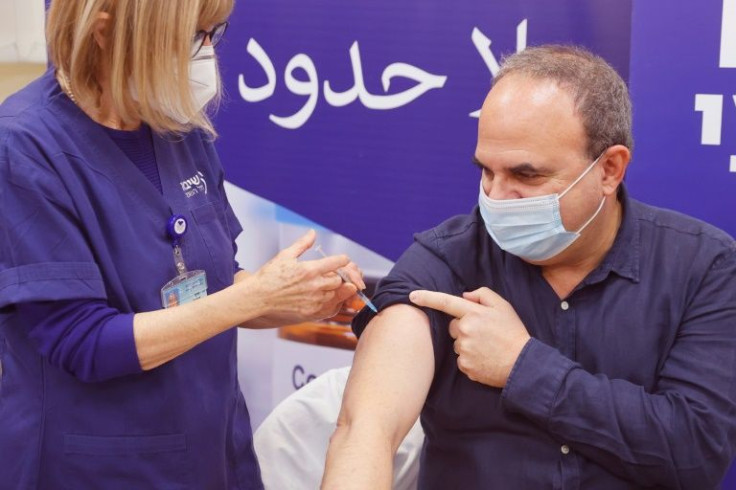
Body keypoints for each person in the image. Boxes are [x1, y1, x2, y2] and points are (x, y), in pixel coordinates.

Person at [322, 45, 736, 489]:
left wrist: (524, 365)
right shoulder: (445, 262)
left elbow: (695, 453)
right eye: (486, 171)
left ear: (610, 169)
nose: (497, 197)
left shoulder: (701, 266)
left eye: (527, 176)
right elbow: (365, 430)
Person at [0, 1, 366, 488]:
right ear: (106, 32)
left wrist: (298, 298)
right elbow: (84, 342)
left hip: (211, 453)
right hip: (97, 465)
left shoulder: (174, 125)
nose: (207, 53)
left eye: (214, 32)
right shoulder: (25, 148)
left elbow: (216, 287)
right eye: (192, 36)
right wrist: (254, 296)